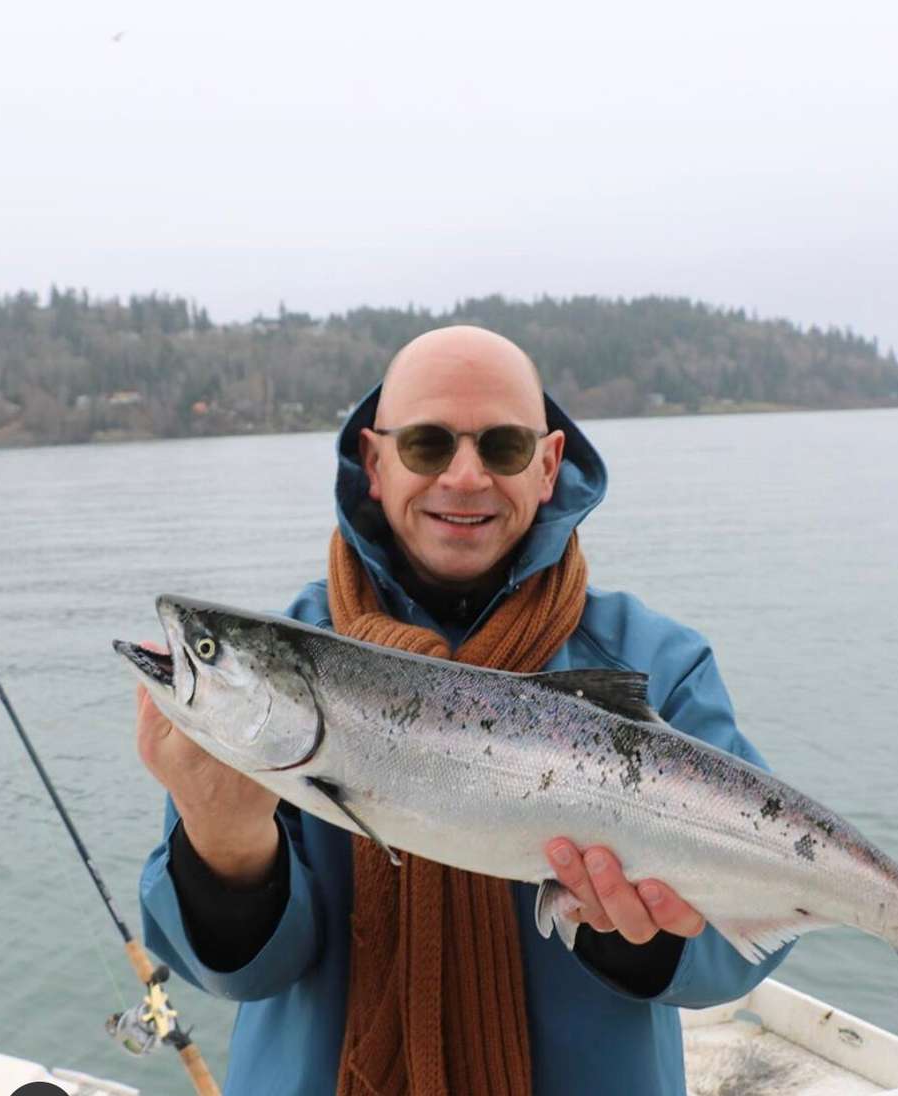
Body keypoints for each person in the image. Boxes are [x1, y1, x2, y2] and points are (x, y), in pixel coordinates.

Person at [136, 325, 792, 1096]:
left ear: (548, 466)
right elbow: (240, 974)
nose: (466, 476)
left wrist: (639, 942)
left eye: (504, 448)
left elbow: (749, 933)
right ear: (375, 464)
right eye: (427, 445)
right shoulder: (275, 673)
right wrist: (224, 846)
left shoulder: (659, 667)